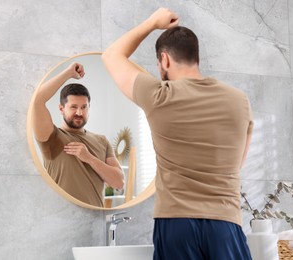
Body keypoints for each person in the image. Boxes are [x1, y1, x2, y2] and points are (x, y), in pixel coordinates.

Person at [102, 8, 253, 260]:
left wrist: (152, 22)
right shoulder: (240, 101)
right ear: (196, 57)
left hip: (176, 225)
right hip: (226, 224)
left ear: (165, 60)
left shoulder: (159, 96)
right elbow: (238, 164)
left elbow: (111, 55)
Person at [32, 62, 124, 207]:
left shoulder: (101, 140)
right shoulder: (52, 137)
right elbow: (36, 100)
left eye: (84, 107)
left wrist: (89, 158)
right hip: (61, 220)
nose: (79, 113)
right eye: (73, 107)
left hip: (95, 220)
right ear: (61, 108)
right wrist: (68, 73)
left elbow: (118, 182)